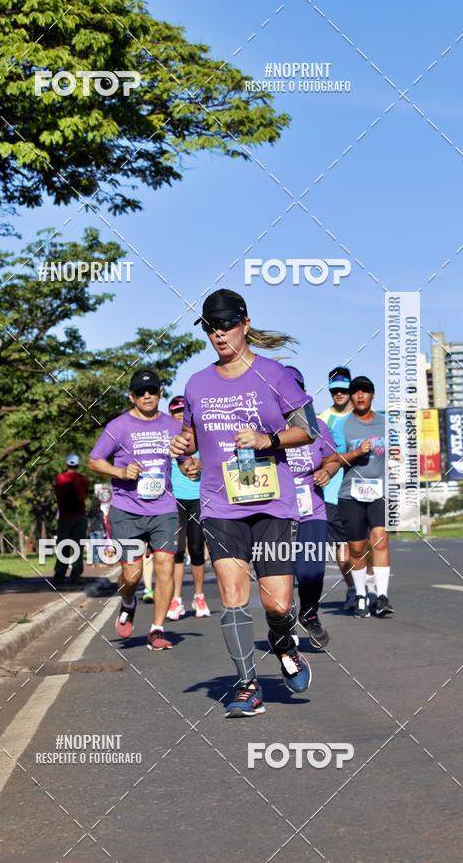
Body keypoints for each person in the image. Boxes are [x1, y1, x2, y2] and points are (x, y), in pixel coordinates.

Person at [170, 289, 318, 718]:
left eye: (226, 326)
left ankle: (283, 641)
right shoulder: (197, 384)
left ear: (245, 324)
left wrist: (266, 439)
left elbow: (306, 430)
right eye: (211, 328)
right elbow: (191, 440)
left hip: (273, 504)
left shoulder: (275, 375)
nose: (219, 335)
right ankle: (246, 684)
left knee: (276, 605)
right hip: (221, 505)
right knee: (233, 599)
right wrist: (185, 450)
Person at [89, 369, 183, 650]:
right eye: (141, 392)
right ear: (131, 396)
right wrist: (120, 471)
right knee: (132, 574)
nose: (147, 396)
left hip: (163, 509)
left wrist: (191, 466)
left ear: (159, 393)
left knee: (165, 566)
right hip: (127, 510)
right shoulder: (118, 426)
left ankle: (157, 629)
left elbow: (186, 459)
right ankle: (128, 602)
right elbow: (94, 461)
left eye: (152, 391)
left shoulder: (173, 426)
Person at [285, 368, 341, 649]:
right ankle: (284, 626)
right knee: (281, 573)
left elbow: (332, 459)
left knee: (311, 571)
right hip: (277, 513)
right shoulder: (265, 428)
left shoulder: (317, 426)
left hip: (312, 510)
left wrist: (327, 472)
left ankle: (309, 612)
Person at [332, 376, 394, 618]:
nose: (360, 395)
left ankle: (382, 596)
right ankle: (359, 594)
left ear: (372, 395)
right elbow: (335, 460)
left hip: (380, 492)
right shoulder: (342, 425)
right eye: (355, 391)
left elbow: (403, 453)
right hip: (351, 494)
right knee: (356, 549)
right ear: (350, 396)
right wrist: (357, 451)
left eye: (365, 391)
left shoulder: (387, 423)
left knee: (380, 538)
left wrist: (398, 453)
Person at [166, 395, 210, 620]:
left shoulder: (200, 436)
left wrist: (201, 463)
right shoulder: (167, 439)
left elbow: (215, 459)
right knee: (176, 551)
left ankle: (199, 596)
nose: (178, 416)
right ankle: (175, 599)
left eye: (182, 412)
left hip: (197, 498)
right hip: (175, 499)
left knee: (196, 549)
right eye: (175, 412)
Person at [318, 367, 357, 609]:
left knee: (363, 545)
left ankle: (368, 585)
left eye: (343, 390)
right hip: (333, 494)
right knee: (341, 548)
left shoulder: (365, 416)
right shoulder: (323, 419)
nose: (339, 394)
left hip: (364, 491)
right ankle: (354, 589)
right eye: (335, 391)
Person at [53, 453, 89, 586]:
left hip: (64, 517)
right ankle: (75, 576)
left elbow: (57, 493)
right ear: (78, 465)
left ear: (67, 464)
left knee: (63, 546)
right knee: (77, 547)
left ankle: (59, 574)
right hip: (79, 515)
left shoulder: (59, 478)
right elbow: (85, 493)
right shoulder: (83, 479)